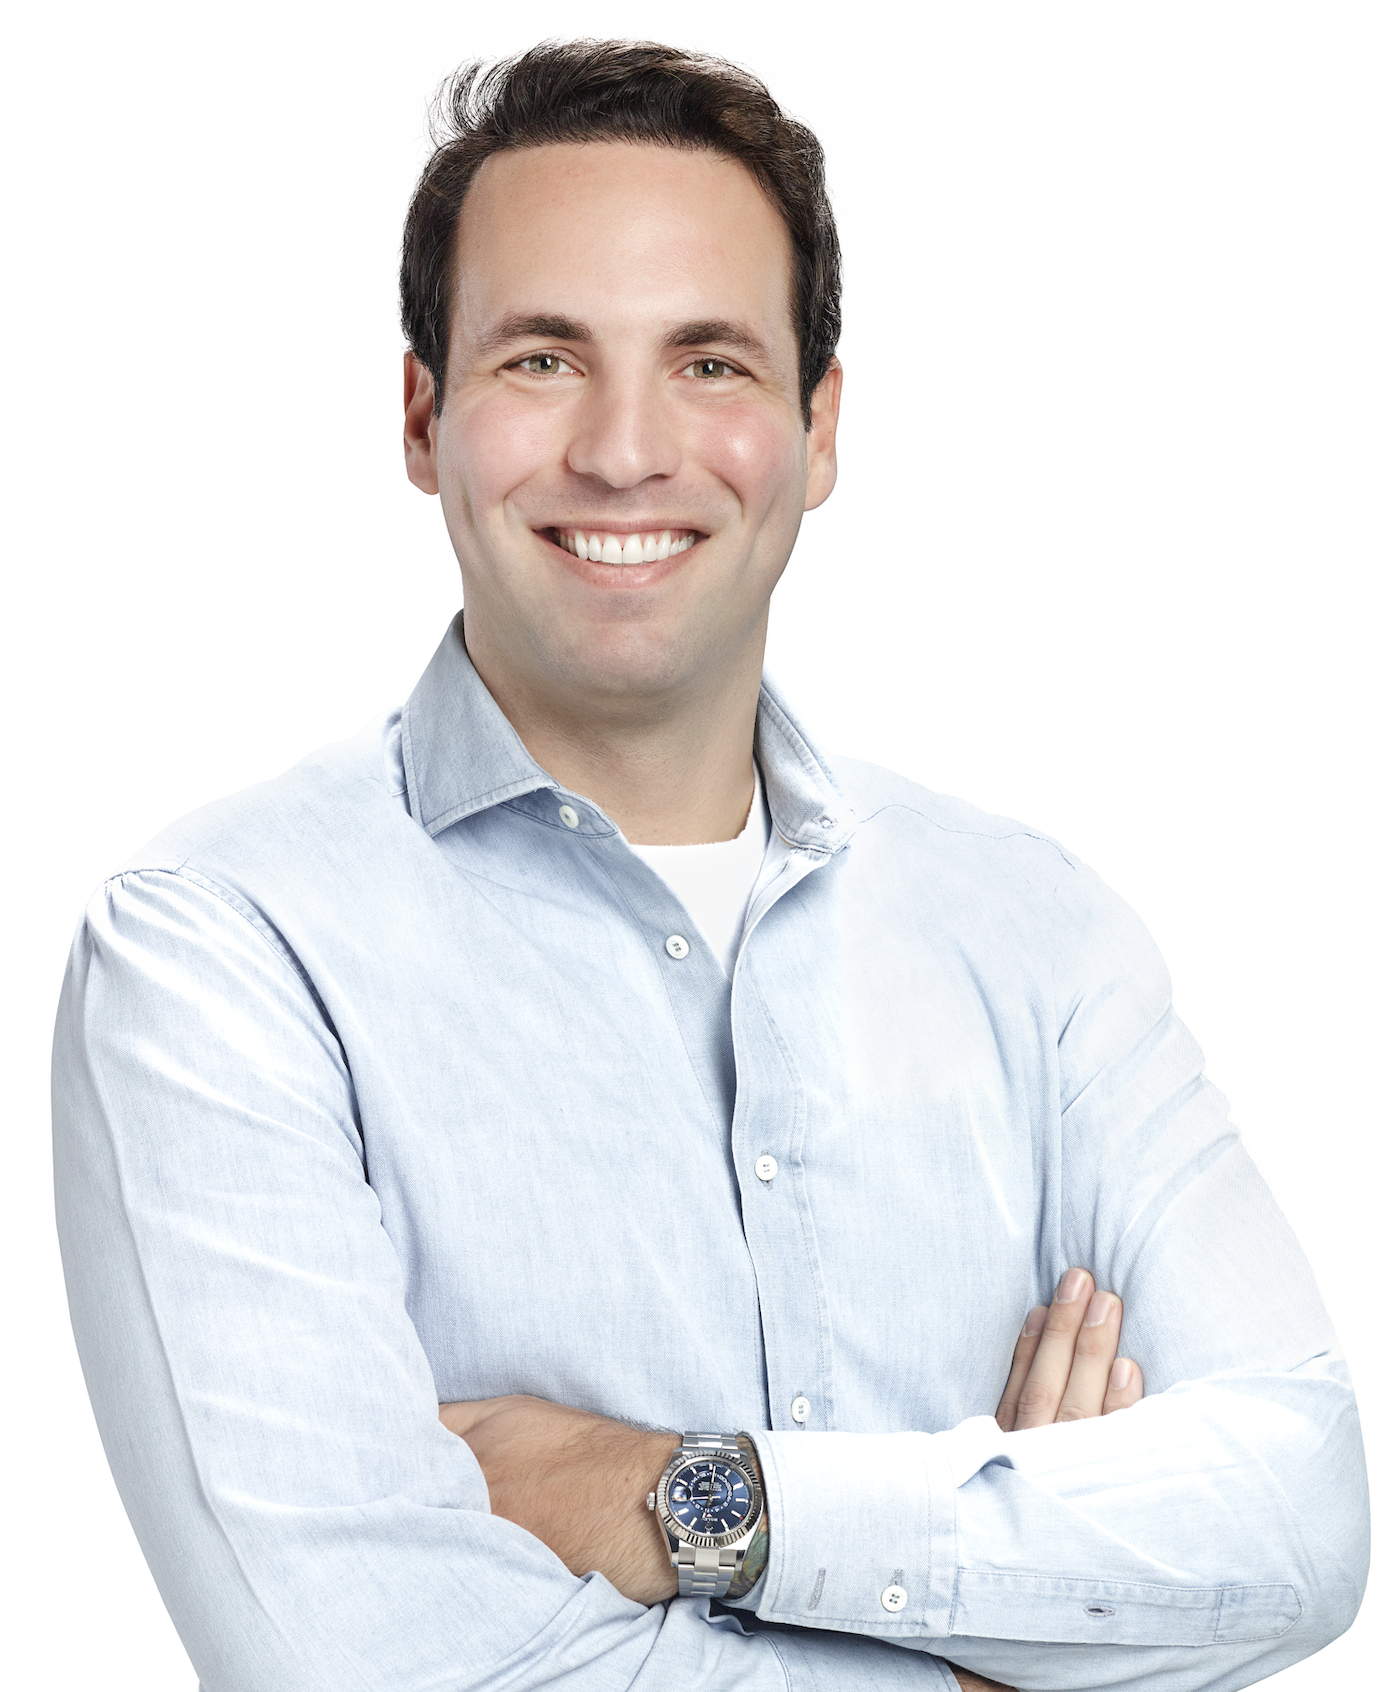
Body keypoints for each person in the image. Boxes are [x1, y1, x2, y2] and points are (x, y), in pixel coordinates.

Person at [52, 40, 1367, 1692]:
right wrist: (1002, 1643)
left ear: (817, 430)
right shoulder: (221, 956)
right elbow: (374, 1664)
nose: (623, 449)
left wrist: (702, 1507)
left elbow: (1302, 1516)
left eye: (711, 364)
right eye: (542, 357)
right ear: (421, 415)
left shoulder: (1034, 937)